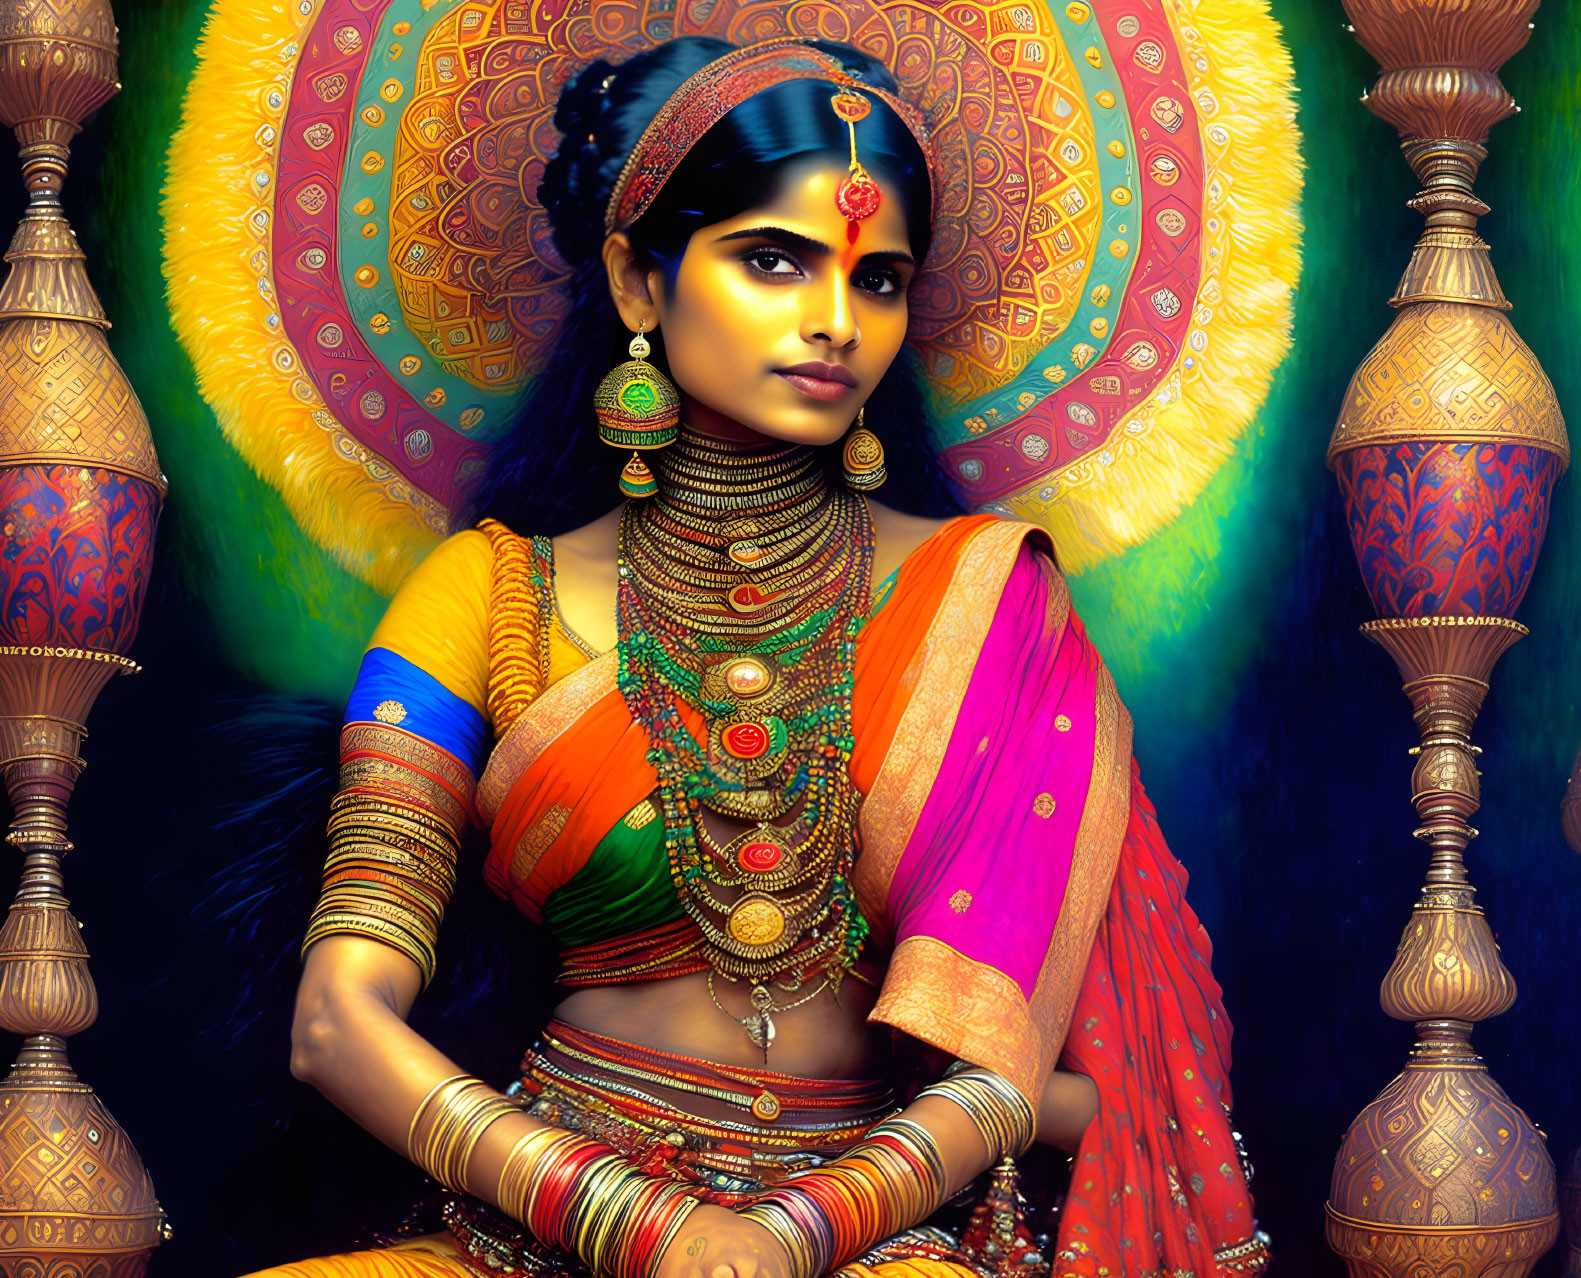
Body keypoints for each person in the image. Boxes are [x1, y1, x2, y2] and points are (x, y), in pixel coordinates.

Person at [248, 35, 1268, 1278]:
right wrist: (645, 1225)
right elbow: (335, 1019)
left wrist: (796, 1232)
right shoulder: (483, 595)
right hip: (536, 1217)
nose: (836, 322)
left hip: (869, 1236)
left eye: (878, 278)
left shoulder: (987, 604)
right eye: (774, 260)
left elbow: (1029, 1070)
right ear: (636, 280)